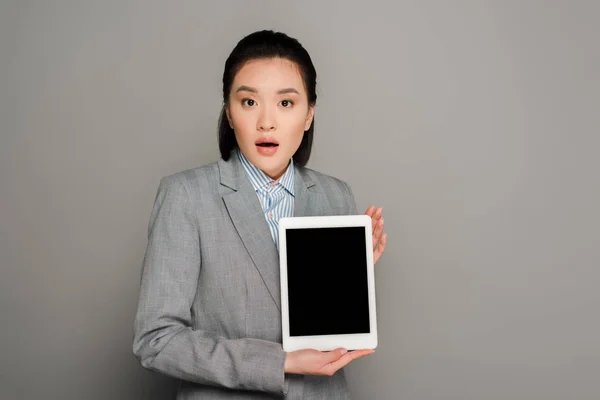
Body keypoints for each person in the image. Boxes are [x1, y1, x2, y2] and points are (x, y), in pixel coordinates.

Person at [133, 30, 387, 399]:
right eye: (249, 102)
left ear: (309, 115)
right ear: (229, 112)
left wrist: (349, 277)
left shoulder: (335, 195)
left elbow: (329, 338)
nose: (266, 122)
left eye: (286, 104)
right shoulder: (186, 195)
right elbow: (156, 340)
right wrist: (278, 362)